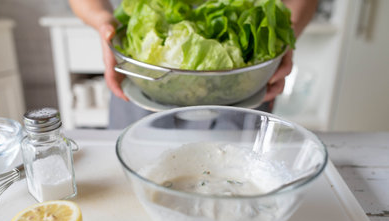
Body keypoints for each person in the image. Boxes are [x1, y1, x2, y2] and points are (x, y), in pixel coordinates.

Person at [68, 0, 319, 129]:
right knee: (136, 179)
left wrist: (284, 32)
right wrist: (103, 22)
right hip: (145, 75)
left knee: (237, 181)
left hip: (241, 80)